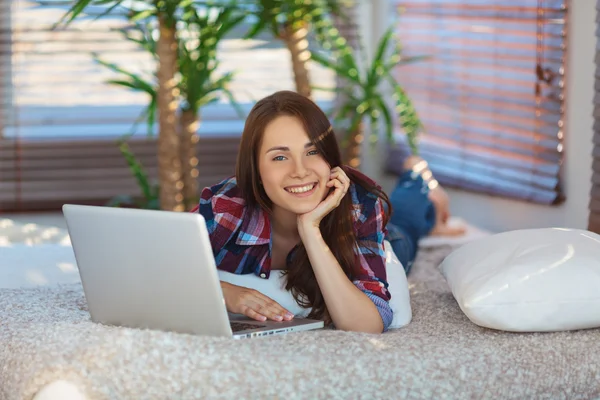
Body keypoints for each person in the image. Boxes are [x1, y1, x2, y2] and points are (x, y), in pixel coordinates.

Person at [193, 90, 463, 334]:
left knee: (407, 227)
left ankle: (417, 177)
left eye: (312, 152)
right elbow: (158, 269)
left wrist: (310, 230)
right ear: (256, 171)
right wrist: (225, 292)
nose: (300, 171)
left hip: (382, 237)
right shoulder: (225, 207)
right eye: (279, 157)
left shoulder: (360, 205)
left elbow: (366, 325)